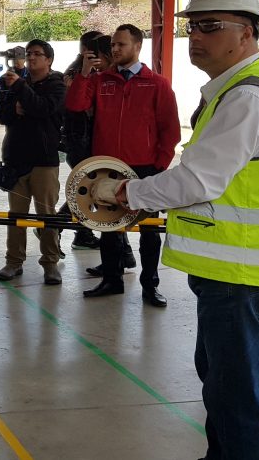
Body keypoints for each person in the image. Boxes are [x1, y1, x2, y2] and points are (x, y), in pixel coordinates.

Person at [93, 0, 259, 460]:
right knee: (223, 392)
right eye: (193, 27)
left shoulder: (248, 97)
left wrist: (129, 192)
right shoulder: (234, 90)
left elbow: (199, 181)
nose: (197, 37)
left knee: (236, 403)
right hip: (234, 273)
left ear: (247, 33)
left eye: (211, 26)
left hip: (245, 277)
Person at [67, 24, 180, 306]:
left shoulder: (157, 84)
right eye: (113, 45)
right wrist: (83, 73)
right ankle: (112, 280)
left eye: (121, 45)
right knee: (109, 227)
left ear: (137, 46)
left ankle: (150, 285)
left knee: (149, 231)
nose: (115, 49)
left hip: (144, 169)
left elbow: (170, 130)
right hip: (107, 169)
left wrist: (158, 167)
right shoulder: (100, 80)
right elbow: (75, 106)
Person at [0, 39, 66, 286]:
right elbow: (0, 115)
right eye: (29, 53)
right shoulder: (13, 82)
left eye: (37, 54)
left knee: (47, 214)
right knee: (16, 215)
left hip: (44, 161)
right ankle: (14, 261)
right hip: (16, 159)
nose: (31, 58)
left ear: (49, 60)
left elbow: (44, 109)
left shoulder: (57, 84)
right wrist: (16, 107)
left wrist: (22, 91)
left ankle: (50, 263)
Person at [59, 31, 107, 252]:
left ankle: (80, 233)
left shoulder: (93, 71)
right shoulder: (78, 72)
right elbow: (78, 107)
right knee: (88, 190)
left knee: (87, 189)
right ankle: (57, 226)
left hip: (87, 139)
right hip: (80, 140)